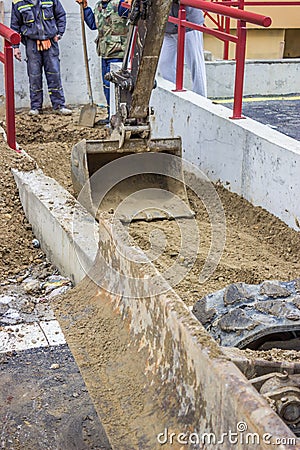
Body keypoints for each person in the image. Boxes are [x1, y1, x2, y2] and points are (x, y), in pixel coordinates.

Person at [10, 0, 72, 116]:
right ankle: (36, 107)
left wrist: (59, 33)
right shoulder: (18, 2)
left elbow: (61, 15)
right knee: (34, 76)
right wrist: (15, 47)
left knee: (54, 74)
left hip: (50, 43)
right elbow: (14, 26)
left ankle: (59, 105)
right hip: (32, 44)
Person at [76, 0, 129, 123]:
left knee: (115, 87)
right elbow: (94, 24)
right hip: (105, 53)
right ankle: (111, 115)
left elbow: (131, 17)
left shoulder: (120, 4)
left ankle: (119, 116)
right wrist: (85, 8)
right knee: (106, 86)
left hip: (118, 53)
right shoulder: (99, 6)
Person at [158, 1, 207, 97]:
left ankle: (201, 98)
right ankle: (172, 95)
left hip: (189, 23)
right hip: (169, 25)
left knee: (195, 64)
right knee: (165, 63)